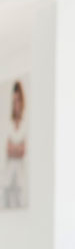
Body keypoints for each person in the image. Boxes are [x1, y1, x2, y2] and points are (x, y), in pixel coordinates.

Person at [5, 80, 27, 208]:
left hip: (20, 177)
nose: (16, 105)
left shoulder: (25, 124)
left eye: (18, 100)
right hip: (9, 176)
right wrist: (16, 149)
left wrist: (16, 148)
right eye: (14, 101)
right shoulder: (9, 125)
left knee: (19, 200)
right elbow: (8, 149)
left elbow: (23, 150)